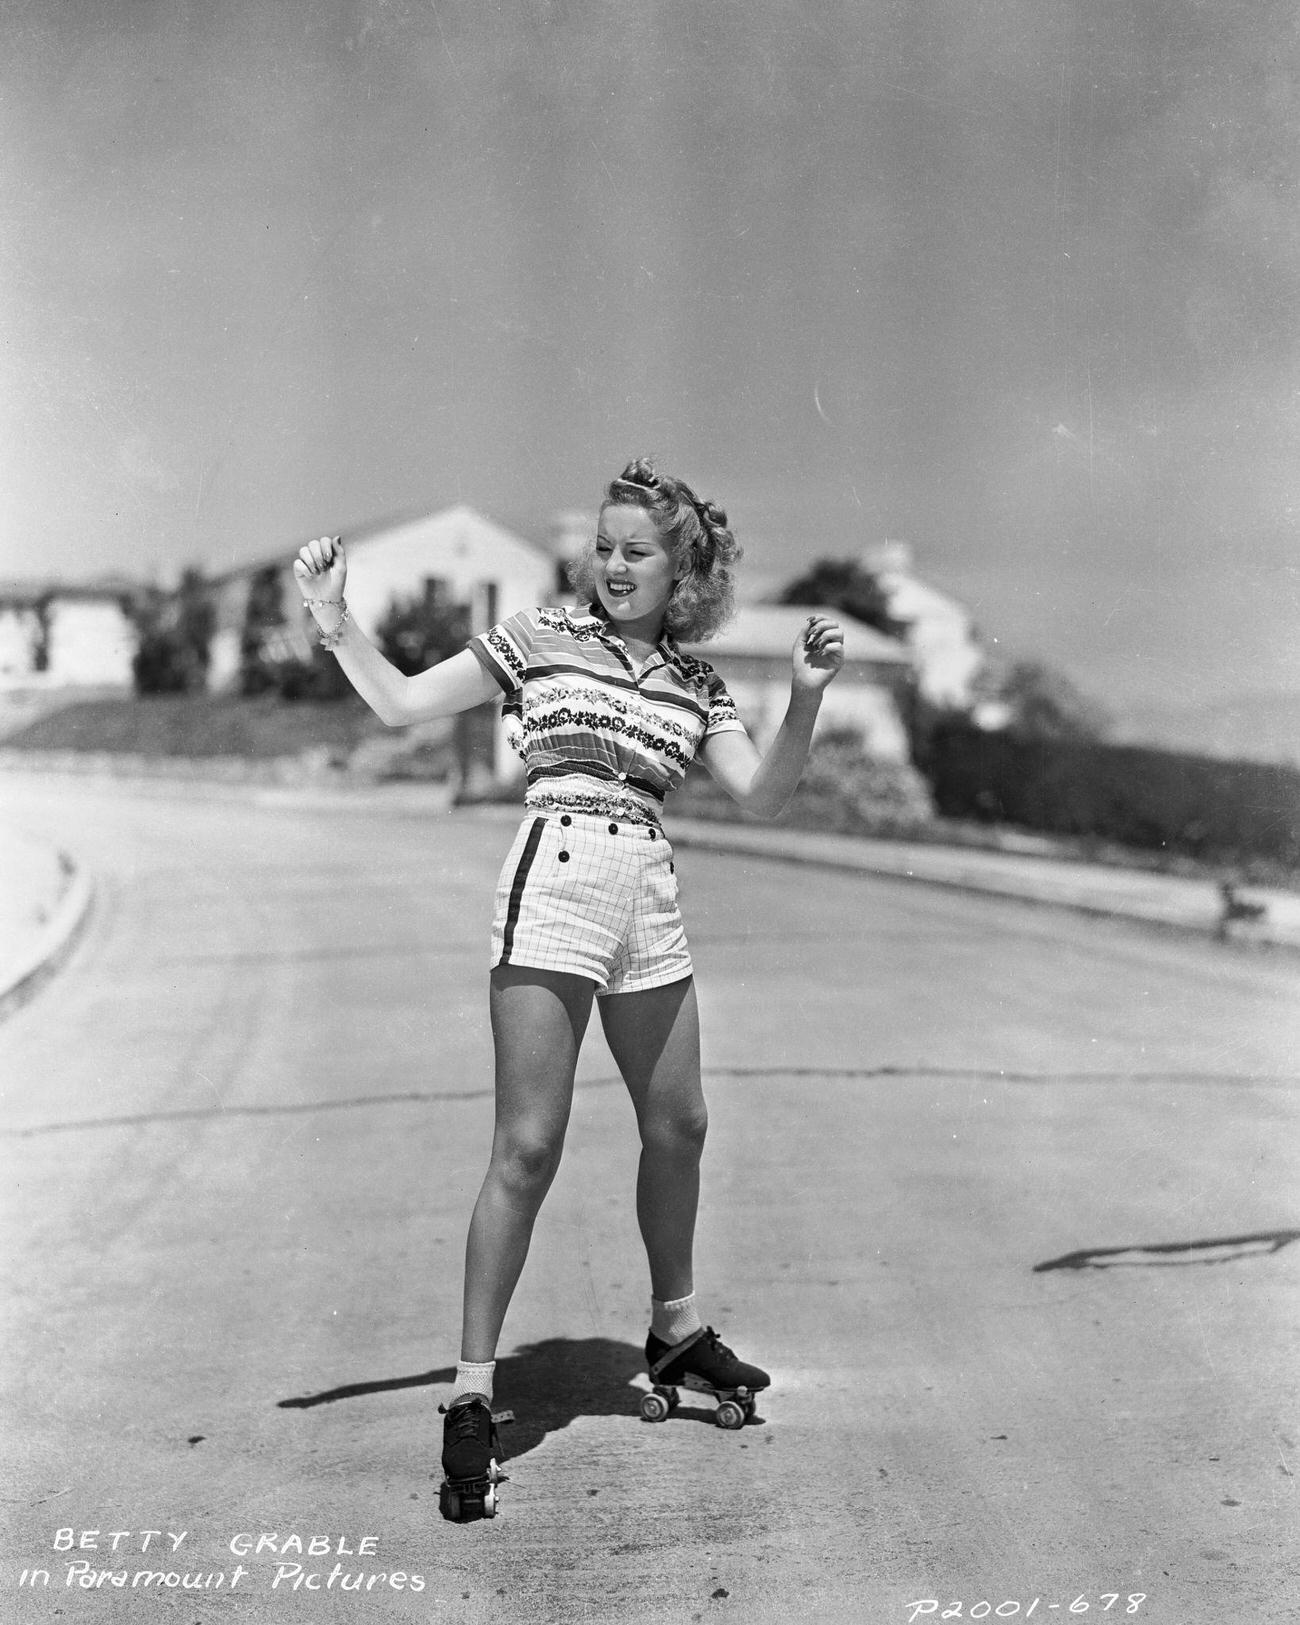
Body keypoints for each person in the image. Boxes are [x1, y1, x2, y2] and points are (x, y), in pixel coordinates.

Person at [293, 458, 843, 1518]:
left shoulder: (697, 682)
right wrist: (333, 614)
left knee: (680, 1120)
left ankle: (674, 1331)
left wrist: (807, 698)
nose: (614, 565)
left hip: (649, 887)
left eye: (637, 550)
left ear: (684, 567)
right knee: (528, 1145)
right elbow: (403, 703)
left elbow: (765, 794)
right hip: (557, 869)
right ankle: (469, 1393)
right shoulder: (542, 637)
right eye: (604, 546)